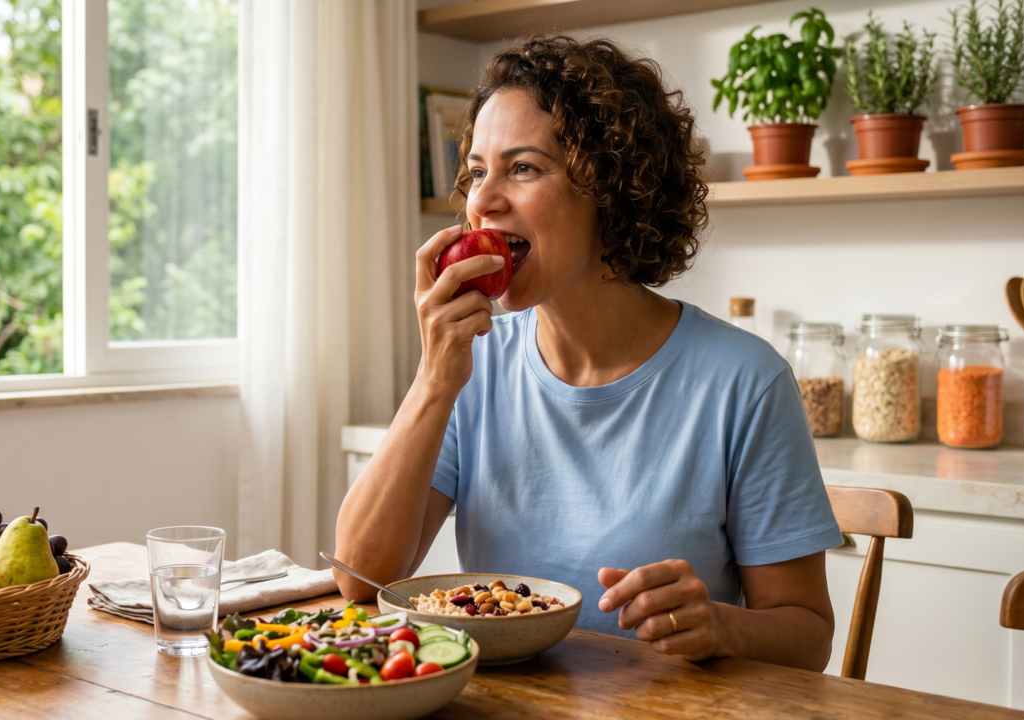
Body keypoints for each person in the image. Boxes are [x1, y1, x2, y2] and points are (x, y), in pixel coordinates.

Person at [334, 36, 843, 671]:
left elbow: (807, 636)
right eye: (476, 170)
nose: (482, 201)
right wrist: (435, 380)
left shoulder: (744, 381)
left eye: (522, 168)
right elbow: (359, 578)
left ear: (610, 188)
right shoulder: (475, 365)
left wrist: (720, 626)